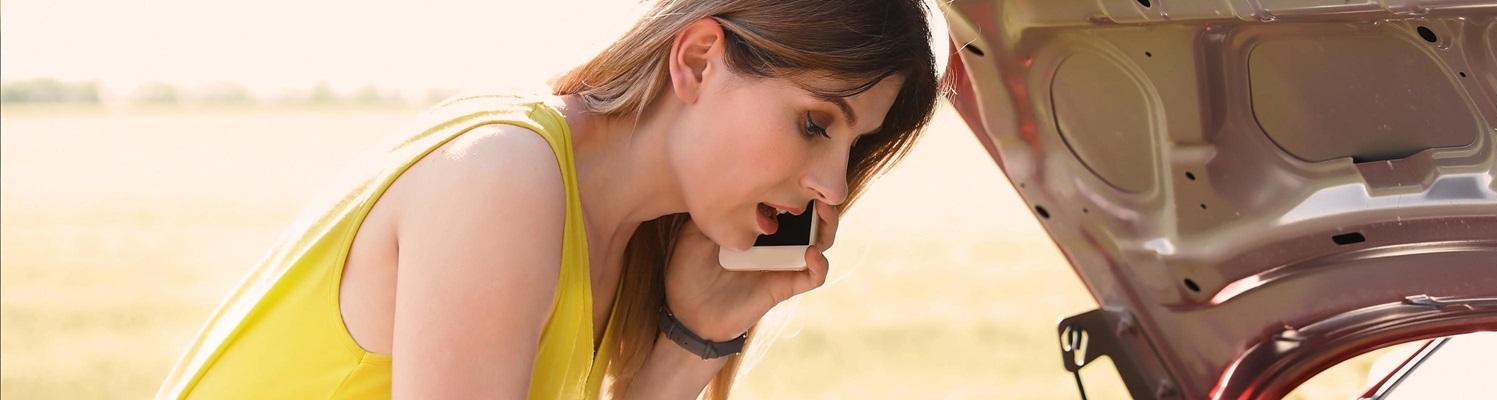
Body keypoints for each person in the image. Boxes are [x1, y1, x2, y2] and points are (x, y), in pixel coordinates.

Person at [155, 0, 940, 398]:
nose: (832, 188)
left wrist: (693, 340)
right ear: (699, 61)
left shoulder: (616, 237)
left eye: (853, 147)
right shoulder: (503, 177)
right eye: (815, 124)